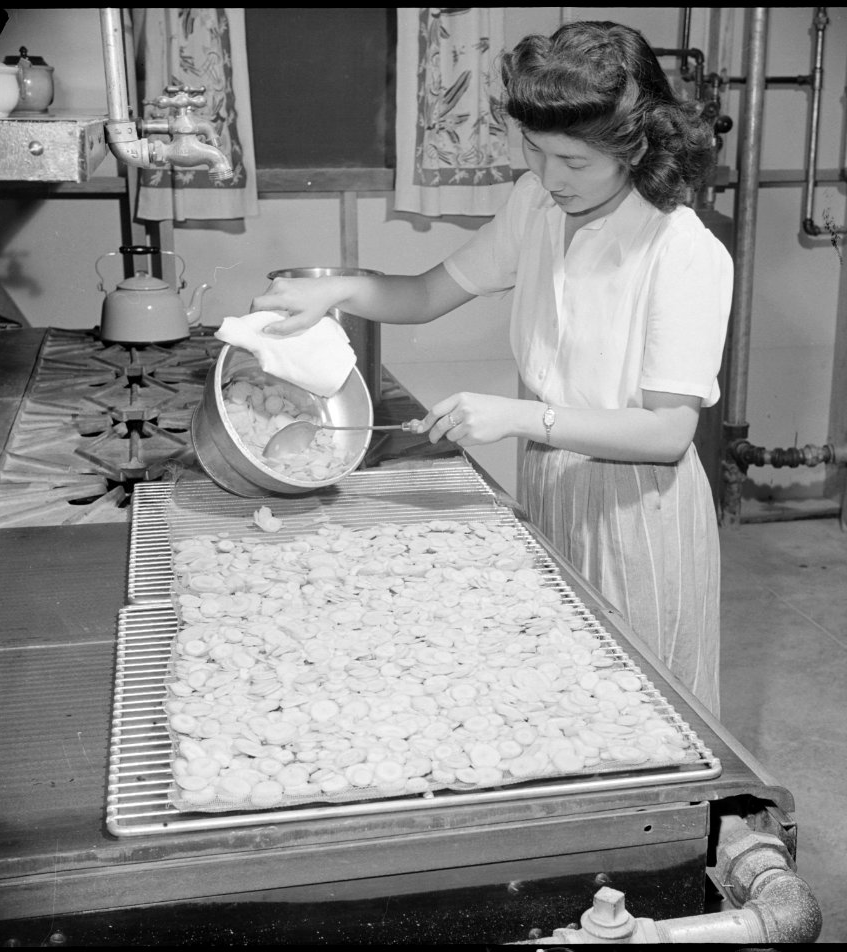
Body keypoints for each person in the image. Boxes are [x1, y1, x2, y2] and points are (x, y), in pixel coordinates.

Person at [250, 21, 733, 717]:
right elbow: (423, 294)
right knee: (566, 688)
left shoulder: (680, 251)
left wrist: (518, 417)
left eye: (575, 162)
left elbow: (666, 433)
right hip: (551, 474)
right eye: (536, 152)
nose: (550, 176)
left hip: (639, 510)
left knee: (648, 707)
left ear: (636, 147)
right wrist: (339, 289)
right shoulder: (536, 205)